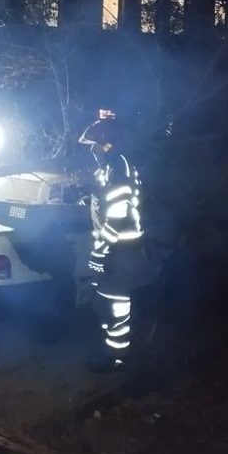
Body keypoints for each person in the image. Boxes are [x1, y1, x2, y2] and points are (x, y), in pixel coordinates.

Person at [79, 109, 145, 372]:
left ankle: (118, 359)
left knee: (117, 305)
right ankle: (111, 351)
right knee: (102, 300)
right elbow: (105, 202)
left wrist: (101, 250)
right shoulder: (108, 167)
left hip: (121, 250)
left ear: (107, 143)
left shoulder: (119, 166)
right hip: (113, 249)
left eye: (95, 144)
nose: (92, 149)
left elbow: (118, 213)